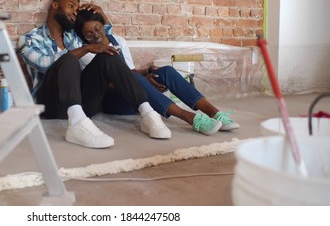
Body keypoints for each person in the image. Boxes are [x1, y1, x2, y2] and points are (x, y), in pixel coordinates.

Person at [18, 0, 171, 149]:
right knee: (69, 58)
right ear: (55, 5)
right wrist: (87, 48)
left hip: (85, 103)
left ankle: (147, 113)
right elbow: (45, 64)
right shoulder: (30, 39)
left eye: (77, 10)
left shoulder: (72, 37)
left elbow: (105, 35)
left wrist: (101, 14)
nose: (74, 12)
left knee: (107, 55)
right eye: (71, 6)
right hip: (52, 105)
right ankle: (76, 125)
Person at [75, 9, 240, 135]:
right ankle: (190, 118)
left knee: (165, 71)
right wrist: (143, 81)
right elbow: (112, 84)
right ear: (83, 36)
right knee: (136, 78)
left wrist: (146, 73)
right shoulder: (88, 52)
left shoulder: (118, 41)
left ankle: (214, 113)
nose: (95, 35)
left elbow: (130, 71)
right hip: (114, 101)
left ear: (103, 25)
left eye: (97, 29)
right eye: (89, 34)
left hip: (135, 91)